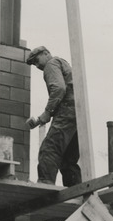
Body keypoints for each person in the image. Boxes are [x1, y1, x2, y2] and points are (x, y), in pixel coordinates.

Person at [25, 46, 82, 187]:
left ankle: (45, 185)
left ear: (46, 53)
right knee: (68, 158)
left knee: (49, 149)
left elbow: (59, 88)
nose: (37, 66)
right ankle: (74, 190)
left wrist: (47, 112)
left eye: (37, 61)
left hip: (67, 110)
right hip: (77, 113)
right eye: (34, 64)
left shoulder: (51, 64)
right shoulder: (63, 63)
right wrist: (44, 116)